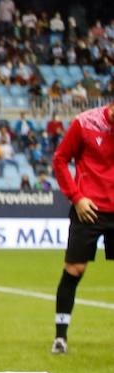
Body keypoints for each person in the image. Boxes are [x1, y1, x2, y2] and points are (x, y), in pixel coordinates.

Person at [50, 100, 114, 354]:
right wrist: (76, 198)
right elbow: (60, 159)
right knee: (74, 270)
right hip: (88, 209)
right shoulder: (85, 122)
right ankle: (60, 337)